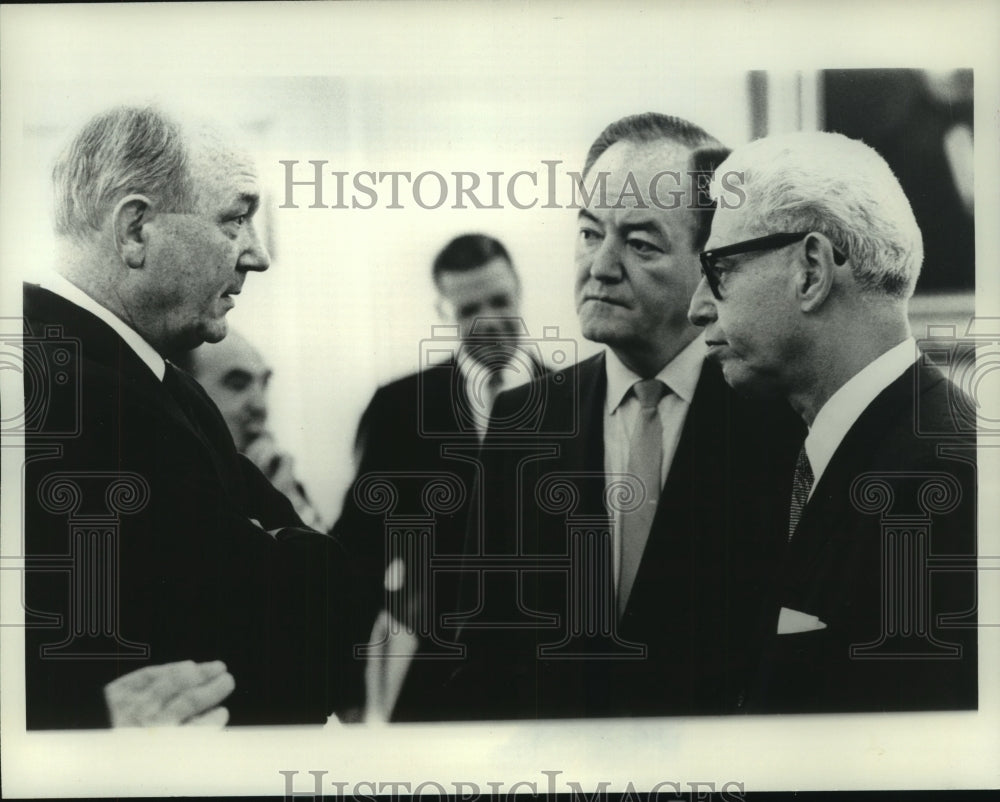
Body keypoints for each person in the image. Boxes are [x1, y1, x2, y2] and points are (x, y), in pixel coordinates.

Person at [22, 105, 378, 728]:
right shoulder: (75, 393)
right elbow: (297, 633)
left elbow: (330, 610)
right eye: (236, 219)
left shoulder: (156, 381)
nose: (258, 255)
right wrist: (283, 545)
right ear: (135, 230)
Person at [444, 113, 802, 719]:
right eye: (590, 234)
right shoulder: (522, 419)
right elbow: (477, 651)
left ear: (710, 262)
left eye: (639, 243)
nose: (600, 267)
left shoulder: (784, 419)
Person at [687, 130, 977, 713]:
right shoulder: (874, 450)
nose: (697, 305)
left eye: (718, 269)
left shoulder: (943, 485)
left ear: (812, 270)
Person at [330, 233, 548, 721]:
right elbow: (360, 552)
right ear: (444, 309)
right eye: (471, 309)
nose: (490, 322)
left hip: (550, 672)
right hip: (441, 675)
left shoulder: (577, 396)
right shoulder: (400, 408)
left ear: (519, 290)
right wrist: (345, 682)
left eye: (500, 301)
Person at [174, 330, 325, 530]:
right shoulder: (172, 486)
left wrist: (289, 501)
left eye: (264, 384)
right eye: (237, 384)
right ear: (185, 388)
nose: (260, 406)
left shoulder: (281, 480)